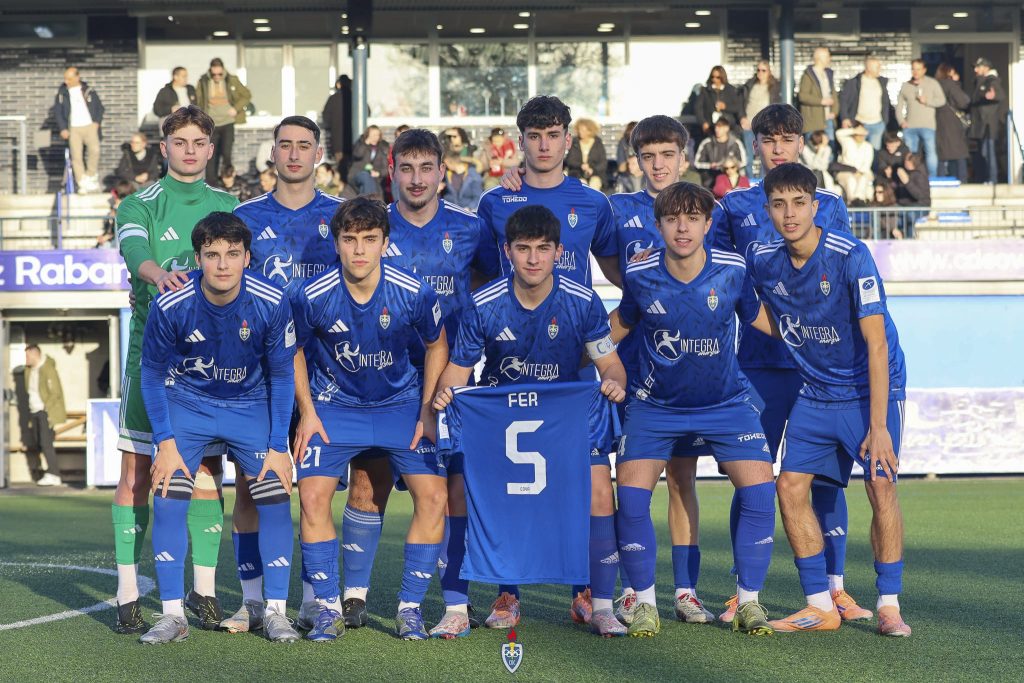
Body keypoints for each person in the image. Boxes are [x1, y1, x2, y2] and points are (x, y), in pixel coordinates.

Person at [432, 204, 628, 638]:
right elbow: (458, 371)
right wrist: (446, 394)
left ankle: (597, 602)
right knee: (458, 491)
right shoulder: (484, 303)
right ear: (507, 252)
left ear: (559, 252)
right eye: (523, 248)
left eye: (543, 248)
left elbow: (610, 365)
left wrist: (615, 383)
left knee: (599, 490)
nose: (533, 258)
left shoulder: (582, 300)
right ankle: (482, 602)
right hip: (500, 424)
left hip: (566, 422)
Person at [710, 104, 869, 625]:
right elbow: (721, 279)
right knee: (753, 477)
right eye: (768, 139)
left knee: (823, 481)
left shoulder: (830, 204)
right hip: (758, 364)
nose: (778, 148)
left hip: (819, 369)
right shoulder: (734, 206)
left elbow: (842, 280)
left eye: (787, 138)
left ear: (801, 143)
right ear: (754, 145)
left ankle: (834, 588)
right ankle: (744, 591)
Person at [331, 129, 484, 638]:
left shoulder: (470, 228)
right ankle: (354, 597)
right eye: (406, 169)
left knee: (448, 491)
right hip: (380, 382)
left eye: (426, 169)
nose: (416, 179)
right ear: (391, 171)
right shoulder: (371, 227)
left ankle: (454, 602)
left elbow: (490, 289)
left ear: (443, 172)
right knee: (366, 483)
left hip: (450, 384)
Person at [747, 162, 911, 638]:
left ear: (815, 207)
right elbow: (760, 310)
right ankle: (820, 605)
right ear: (768, 210)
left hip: (869, 391)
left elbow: (876, 345)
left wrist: (878, 427)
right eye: (779, 204)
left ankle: (889, 603)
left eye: (799, 203)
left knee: (880, 484)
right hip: (817, 392)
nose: (789, 213)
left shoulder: (850, 255)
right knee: (788, 487)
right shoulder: (763, 259)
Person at [609, 182, 778, 638]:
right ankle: (645, 603)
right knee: (631, 500)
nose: (682, 228)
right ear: (658, 225)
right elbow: (621, 323)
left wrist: (819, 331)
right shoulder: (640, 272)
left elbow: (761, 318)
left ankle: (749, 603)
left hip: (726, 403)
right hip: (655, 406)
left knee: (761, 494)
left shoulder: (733, 269)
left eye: (692, 218)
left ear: (707, 224)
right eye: (672, 219)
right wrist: (580, 353)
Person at [291, 197, 449, 641]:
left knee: (434, 497)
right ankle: (327, 609)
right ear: (336, 243)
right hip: (333, 408)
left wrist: (426, 411)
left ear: (385, 242)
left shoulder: (414, 291)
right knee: (312, 497)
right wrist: (307, 411)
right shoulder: (310, 294)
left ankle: (410, 609)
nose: (359, 250)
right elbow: (293, 349)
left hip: (400, 405)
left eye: (369, 239)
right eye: (349, 239)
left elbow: (437, 344)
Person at [138, 212, 298, 645]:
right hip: (188, 404)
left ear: (247, 257)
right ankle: (173, 615)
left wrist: (278, 445)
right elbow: (151, 375)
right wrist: (164, 441)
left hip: (250, 405)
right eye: (212, 254)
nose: (222, 263)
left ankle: (274, 611)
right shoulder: (170, 303)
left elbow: (283, 376)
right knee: (168, 497)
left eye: (232, 253)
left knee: (274, 497)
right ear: (198, 258)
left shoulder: (271, 300)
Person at [112, 105, 239, 635]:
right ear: (164, 148)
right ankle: (127, 592)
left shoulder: (229, 206)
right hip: (153, 358)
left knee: (206, 471)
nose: (189, 150)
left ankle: (204, 591)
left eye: (198, 142)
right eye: (179, 142)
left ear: (211, 149)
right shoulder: (138, 204)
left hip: (210, 365)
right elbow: (135, 252)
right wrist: (156, 275)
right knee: (137, 473)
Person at [225, 115, 346, 634]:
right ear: (271, 153)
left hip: (329, 377)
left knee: (317, 492)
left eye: (304, 145)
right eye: (285, 145)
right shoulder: (245, 216)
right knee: (251, 489)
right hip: (259, 378)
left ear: (318, 154)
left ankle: (317, 600)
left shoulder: (341, 216)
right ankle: (253, 602)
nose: (294, 154)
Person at [608, 115, 724, 626]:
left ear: (685, 157)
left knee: (681, 478)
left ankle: (685, 590)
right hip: (634, 365)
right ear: (637, 160)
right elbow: (594, 252)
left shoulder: (709, 208)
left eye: (667, 155)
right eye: (648, 156)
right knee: (632, 482)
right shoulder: (616, 211)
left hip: (690, 368)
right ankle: (635, 590)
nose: (658, 165)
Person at [482, 96, 621, 291]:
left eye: (553, 135)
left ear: (567, 140)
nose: (544, 146)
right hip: (512, 312)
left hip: (576, 312)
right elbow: (479, 275)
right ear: (521, 142)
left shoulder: (594, 202)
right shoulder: (494, 201)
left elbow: (618, 274)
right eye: (534, 136)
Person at [196, 58, 252, 184]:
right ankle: (211, 184)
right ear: (210, 71)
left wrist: (236, 108)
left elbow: (247, 95)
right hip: (211, 124)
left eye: (219, 74)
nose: (217, 77)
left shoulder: (232, 80)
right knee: (210, 155)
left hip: (227, 122)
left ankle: (228, 182)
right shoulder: (203, 81)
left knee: (227, 154)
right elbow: (199, 101)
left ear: (223, 71)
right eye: (214, 74)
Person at [20, 344, 66, 487]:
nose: (26, 359)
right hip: (33, 411)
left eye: (28, 355)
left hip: (44, 412)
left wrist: (47, 408)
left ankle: (54, 474)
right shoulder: (29, 370)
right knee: (39, 443)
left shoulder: (48, 368)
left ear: (35, 354)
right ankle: (49, 472)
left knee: (46, 443)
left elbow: (55, 392)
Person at [54, 67, 105, 193]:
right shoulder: (62, 93)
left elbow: (100, 107)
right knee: (76, 156)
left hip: (89, 125)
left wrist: (96, 122)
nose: (66, 81)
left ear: (77, 77)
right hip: (73, 128)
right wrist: (63, 128)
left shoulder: (89, 90)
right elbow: (58, 112)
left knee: (95, 150)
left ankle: (90, 176)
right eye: (65, 79)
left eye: (69, 79)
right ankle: (81, 183)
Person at [896, 59, 945, 177]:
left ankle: (932, 178)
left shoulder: (932, 83)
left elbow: (942, 100)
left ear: (924, 70)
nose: (915, 72)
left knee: (930, 152)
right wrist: (901, 121)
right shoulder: (906, 85)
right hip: (910, 126)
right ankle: (912, 177)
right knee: (910, 154)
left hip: (928, 125)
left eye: (918, 69)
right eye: (913, 69)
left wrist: (927, 101)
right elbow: (899, 106)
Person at [739, 60, 781, 177]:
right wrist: (742, 118)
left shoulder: (775, 87)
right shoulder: (750, 85)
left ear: (769, 72)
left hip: (765, 126)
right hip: (748, 125)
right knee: (749, 154)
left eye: (763, 70)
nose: (760, 73)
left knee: (765, 154)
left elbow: (777, 106)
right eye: (758, 70)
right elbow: (741, 103)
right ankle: (749, 179)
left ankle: (764, 179)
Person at [839, 57, 891, 150]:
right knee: (857, 151)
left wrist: (884, 121)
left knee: (874, 153)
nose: (880, 69)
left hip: (877, 124)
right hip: (859, 124)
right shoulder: (854, 82)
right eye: (877, 67)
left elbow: (885, 103)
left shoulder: (881, 83)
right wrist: (845, 118)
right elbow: (843, 100)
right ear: (869, 68)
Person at [969, 57, 1007, 184]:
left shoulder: (992, 80)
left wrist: (993, 96)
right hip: (982, 124)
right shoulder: (980, 81)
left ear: (986, 68)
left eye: (978, 67)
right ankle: (988, 178)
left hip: (988, 125)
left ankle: (992, 178)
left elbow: (1000, 95)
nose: (975, 70)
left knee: (989, 152)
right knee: (984, 152)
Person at [935, 63, 971, 182]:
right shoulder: (951, 84)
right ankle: (962, 180)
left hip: (939, 122)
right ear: (949, 73)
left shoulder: (935, 84)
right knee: (959, 152)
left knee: (942, 154)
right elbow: (963, 102)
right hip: (952, 122)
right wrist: (956, 83)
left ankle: (941, 179)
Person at [694, 118, 746, 188]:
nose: (716, 130)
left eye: (720, 127)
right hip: (711, 179)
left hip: (731, 180)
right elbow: (697, 163)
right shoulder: (707, 143)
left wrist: (731, 165)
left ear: (727, 128)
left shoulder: (736, 143)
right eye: (716, 127)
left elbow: (743, 162)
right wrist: (710, 165)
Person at [798, 47, 837, 140]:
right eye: (827, 56)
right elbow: (802, 96)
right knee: (813, 148)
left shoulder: (828, 74)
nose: (829, 59)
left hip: (828, 120)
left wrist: (834, 112)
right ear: (820, 58)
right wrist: (821, 101)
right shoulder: (808, 75)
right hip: (814, 123)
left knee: (830, 147)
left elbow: (834, 95)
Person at [695, 66, 743, 139]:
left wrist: (725, 106)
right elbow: (698, 108)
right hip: (710, 126)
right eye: (712, 77)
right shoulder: (705, 91)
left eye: (718, 77)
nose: (714, 79)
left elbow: (737, 107)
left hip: (728, 126)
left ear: (723, 77)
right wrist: (703, 122)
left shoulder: (731, 90)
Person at [835, 124, 875, 204]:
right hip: (845, 172)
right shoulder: (847, 141)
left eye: (862, 135)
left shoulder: (868, 146)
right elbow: (838, 133)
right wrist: (854, 130)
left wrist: (859, 172)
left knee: (863, 179)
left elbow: (868, 162)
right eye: (858, 134)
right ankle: (853, 201)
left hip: (864, 172)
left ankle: (859, 200)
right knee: (851, 180)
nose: (861, 136)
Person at [565, 118, 608, 191]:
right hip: (577, 173)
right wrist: (581, 165)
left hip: (595, 174)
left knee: (594, 184)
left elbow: (603, 162)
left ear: (590, 131)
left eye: (583, 130)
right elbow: (569, 160)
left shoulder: (598, 143)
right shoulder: (575, 142)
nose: (580, 132)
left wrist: (592, 170)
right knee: (582, 184)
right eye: (579, 129)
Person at [348, 125, 390, 197]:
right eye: (373, 135)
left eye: (377, 135)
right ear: (367, 135)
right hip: (357, 174)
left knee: (366, 187)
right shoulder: (360, 143)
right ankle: (371, 201)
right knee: (365, 176)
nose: (375, 137)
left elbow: (386, 168)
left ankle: (366, 202)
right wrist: (365, 143)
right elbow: (358, 155)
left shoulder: (382, 148)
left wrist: (378, 173)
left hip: (375, 178)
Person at [322, 75, 353, 168]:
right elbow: (367, 112)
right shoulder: (356, 97)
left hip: (338, 142)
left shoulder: (333, 99)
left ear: (338, 84)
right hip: (354, 141)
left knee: (340, 167)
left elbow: (326, 118)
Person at [98, 181, 134, 249]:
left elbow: (124, 229)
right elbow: (109, 229)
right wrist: (104, 236)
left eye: (115, 195)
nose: (113, 198)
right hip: (113, 240)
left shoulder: (129, 210)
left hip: (123, 241)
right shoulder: (113, 209)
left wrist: (108, 236)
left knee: (106, 246)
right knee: (101, 246)